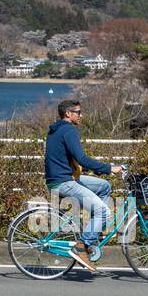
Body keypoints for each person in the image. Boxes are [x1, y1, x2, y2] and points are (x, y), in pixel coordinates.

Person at [44, 99, 124, 271]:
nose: (82, 115)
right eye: (78, 112)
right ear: (68, 114)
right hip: (64, 182)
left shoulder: (56, 130)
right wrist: (110, 168)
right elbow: (82, 159)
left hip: (62, 178)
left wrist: (100, 170)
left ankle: (92, 231)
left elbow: (73, 159)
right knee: (103, 211)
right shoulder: (68, 130)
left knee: (104, 186)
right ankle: (82, 246)